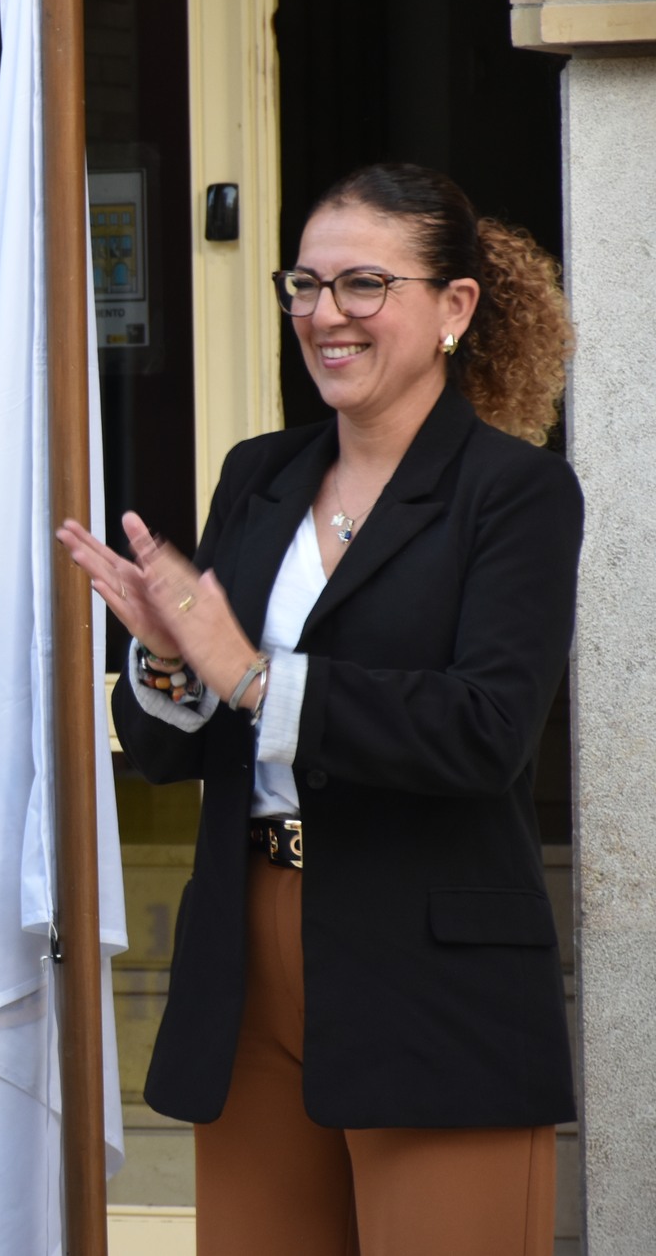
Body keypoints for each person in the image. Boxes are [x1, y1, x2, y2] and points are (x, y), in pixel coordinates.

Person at [59, 162, 579, 1256]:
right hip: (244, 954)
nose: (323, 314)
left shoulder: (515, 492)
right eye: (304, 283)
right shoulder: (257, 476)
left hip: (429, 969)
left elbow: (485, 732)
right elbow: (167, 749)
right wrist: (169, 663)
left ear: (454, 306)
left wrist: (253, 677)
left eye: (362, 285)